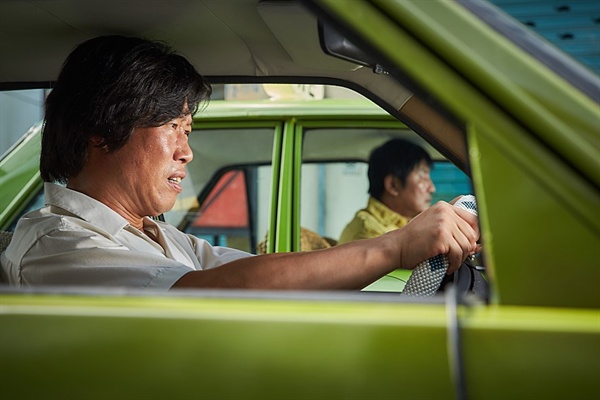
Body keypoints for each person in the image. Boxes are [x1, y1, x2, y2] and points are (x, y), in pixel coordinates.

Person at [0, 35, 479, 291]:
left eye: (187, 132)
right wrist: (393, 249)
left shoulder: (162, 236)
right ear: (100, 129)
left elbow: (263, 273)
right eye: (171, 127)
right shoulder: (56, 246)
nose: (187, 151)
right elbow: (206, 289)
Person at [338, 139, 436, 244]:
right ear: (393, 185)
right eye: (422, 177)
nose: (432, 188)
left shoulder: (408, 224)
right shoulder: (369, 234)